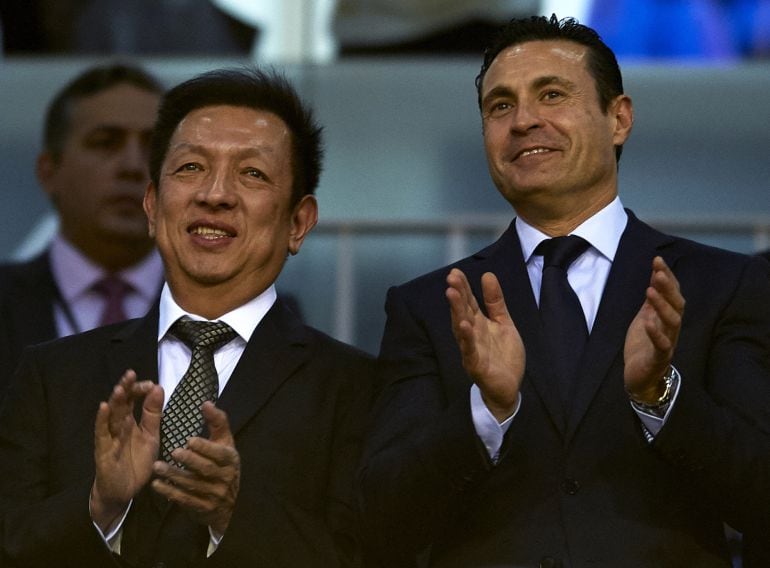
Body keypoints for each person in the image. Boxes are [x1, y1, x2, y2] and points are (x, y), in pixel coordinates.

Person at [360, 15, 770, 567]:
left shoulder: (722, 285)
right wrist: (486, 411)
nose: (524, 120)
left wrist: (661, 396)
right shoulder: (431, 305)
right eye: (500, 106)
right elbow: (380, 522)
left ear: (618, 118)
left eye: (551, 94)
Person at [0, 67, 374, 567]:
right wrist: (100, 505)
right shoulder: (51, 377)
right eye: (191, 168)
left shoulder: (358, 389)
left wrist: (233, 514)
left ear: (298, 222)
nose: (214, 194)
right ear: (153, 207)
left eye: (252, 173)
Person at [0, 63, 165, 393]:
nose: (134, 166)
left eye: (155, 147)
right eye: (105, 143)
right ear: (49, 172)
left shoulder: (242, 312)